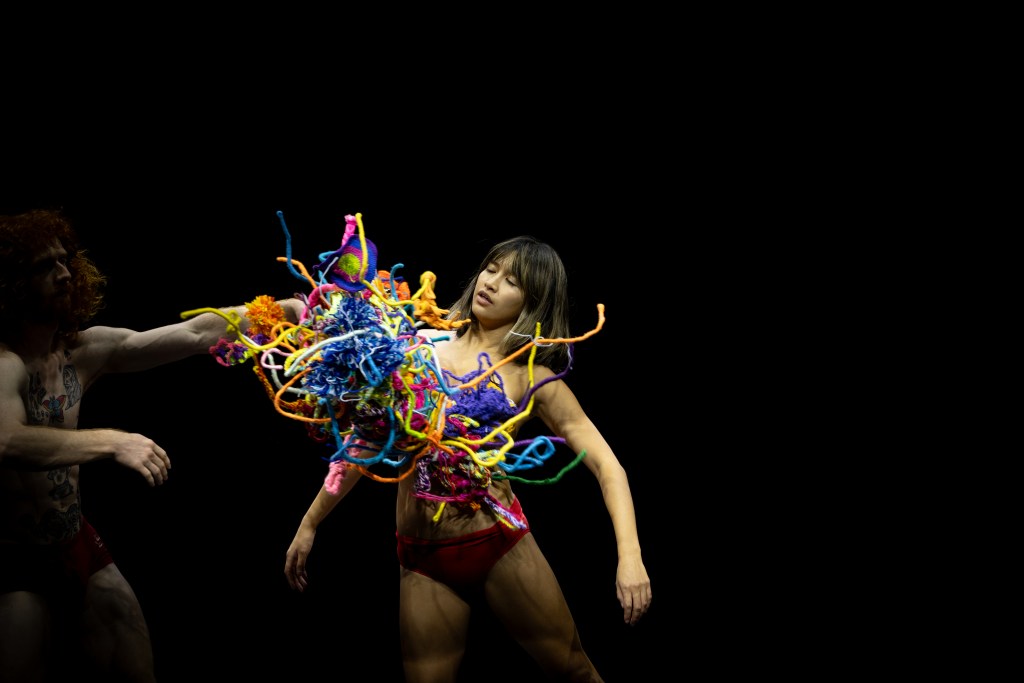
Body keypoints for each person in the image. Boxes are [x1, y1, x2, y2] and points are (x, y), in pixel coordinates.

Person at [283, 234, 652, 682]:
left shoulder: (531, 377)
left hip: (499, 546)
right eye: (491, 268)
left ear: (532, 302)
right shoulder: (418, 350)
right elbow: (364, 445)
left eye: (511, 280)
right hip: (421, 557)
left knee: (572, 668)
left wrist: (630, 557)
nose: (492, 283)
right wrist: (310, 522)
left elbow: (608, 466)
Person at [0, 208, 303, 682]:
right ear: (12, 283)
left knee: (132, 650)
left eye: (64, 261)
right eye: (44, 266)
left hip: (72, 538)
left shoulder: (82, 350)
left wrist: (284, 310)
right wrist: (112, 442)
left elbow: (194, 333)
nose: (62, 274)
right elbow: (7, 439)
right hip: (14, 556)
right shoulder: (5, 364)